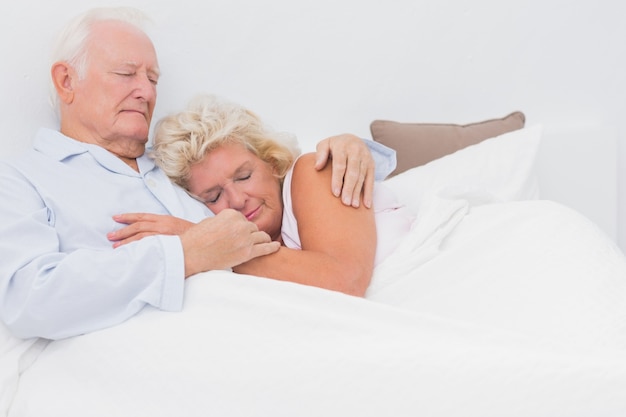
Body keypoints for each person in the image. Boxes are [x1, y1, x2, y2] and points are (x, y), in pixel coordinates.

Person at [0, 7, 396, 340]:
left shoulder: (176, 165)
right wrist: (183, 254)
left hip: (274, 326)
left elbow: (279, 178)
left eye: (153, 79)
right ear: (67, 81)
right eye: (126, 74)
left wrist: (350, 145)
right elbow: (25, 298)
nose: (147, 91)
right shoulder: (22, 181)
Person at [110, 94, 414, 296]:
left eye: (244, 176)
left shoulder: (311, 171)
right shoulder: (274, 245)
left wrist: (206, 244)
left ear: (272, 162)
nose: (238, 200)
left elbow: (344, 281)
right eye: (214, 197)